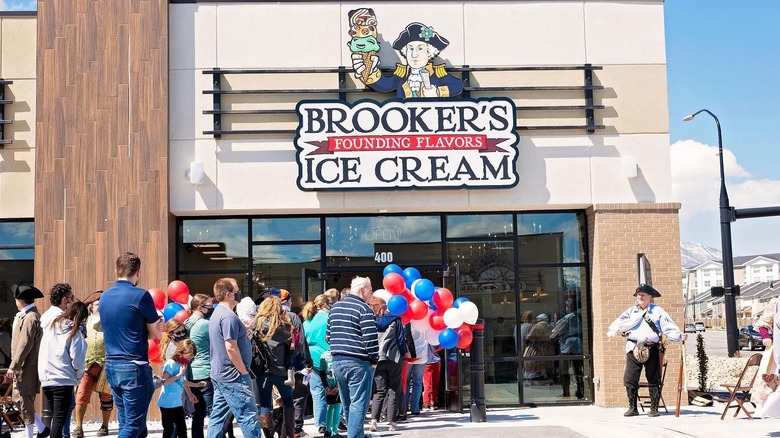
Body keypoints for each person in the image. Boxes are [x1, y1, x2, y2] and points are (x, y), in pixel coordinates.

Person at [100, 252, 164, 438]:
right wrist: (152, 328)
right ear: (138, 272)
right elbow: (156, 333)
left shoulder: (104, 296)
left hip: (111, 364)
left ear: (116, 271)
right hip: (134, 365)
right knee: (134, 425)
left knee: (126, 420)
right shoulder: (141, 295)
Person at [607, 284, 685, 418]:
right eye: (639, 295)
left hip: (652, 347)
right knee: (630, 378)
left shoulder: (658, 311)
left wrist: (679, 335)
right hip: (633, 348)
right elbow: (619, 324)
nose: (640, 297)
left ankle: (654, 409)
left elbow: (668, 326)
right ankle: (633, 408)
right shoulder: (630, 312)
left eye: (643, 295)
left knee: (654, 378)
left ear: (650, 296)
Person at [206, 278, 261, 438]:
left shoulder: (218, 313)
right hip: (234, 376)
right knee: (248, 417)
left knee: (218, 417)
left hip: (221, 374)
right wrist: (244, 372)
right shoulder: (228, 317)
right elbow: (230, 347)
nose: (240, 293)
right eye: (237, 290)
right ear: (229, 294)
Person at [351, 20, 462, 98]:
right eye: (410, 49)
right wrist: (369, 72)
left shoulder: (438, 73)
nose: (414, 55)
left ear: (430, 53)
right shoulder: (403, 74)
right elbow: (385, 86)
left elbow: (458, 86)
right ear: (405, 52)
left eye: (420, 49)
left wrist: (438, 92)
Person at [327, 276, 379, 438]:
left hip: (337, 360)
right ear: (363, 290)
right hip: (358, 362)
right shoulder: (364, 310)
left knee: (348, 402)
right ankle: (355, 435)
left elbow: (328, 336)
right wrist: (374, 361)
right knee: (359, 403)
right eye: (370, 291)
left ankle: (354, 433)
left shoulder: (335, 308)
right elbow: (370, 339)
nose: (371, 294)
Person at [38, 301, 88, 438]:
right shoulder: (74, 332)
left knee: (56, 417)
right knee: (59, 420)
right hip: (63, 379)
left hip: (47, 378)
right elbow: (77, 359)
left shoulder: (50, 328)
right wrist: (78, 376)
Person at [5, 284, 48, 438]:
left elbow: (24, 344)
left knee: (24, 400)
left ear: (20, 300)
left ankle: (31, 434)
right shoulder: (27, 315)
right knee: (21, 400)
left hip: (26, 367)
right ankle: (42, 428)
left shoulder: (31, 317)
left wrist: (13, 366)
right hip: (24, 366)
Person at [251, 296, 295, 438]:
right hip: (281, 370)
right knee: (288, 403)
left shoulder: (256, 325)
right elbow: (294, 348)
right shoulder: (285, 326)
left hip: (262, 371)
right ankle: (288, 434)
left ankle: (268, 435)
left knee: (265, 405)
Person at [272, 288, 313, 437]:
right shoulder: (292, 316)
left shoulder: (268, 316)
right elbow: (301, 341)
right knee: (298, 396)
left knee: (278, 398)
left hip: (274, 365)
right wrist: (308, 362)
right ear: (288, 301)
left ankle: (279, 428)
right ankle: (295, 428)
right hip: (294, 363)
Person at [73, 292, 113, 438]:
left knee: (106, 396)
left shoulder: (110, 321)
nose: (101, 307)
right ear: (91, 307)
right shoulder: (84, 322)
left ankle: (105, 425)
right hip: (87, 364)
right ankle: (78, 427)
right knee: (81, 395)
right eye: (98, 305)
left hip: (105, 363)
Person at [368, 297, 407, 433]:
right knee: (393, 390)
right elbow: (401, 340)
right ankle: (392, 422)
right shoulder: (396, 320)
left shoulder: (371, 321)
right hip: (394, 357)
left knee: (379, 391)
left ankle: (374, 420)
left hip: (378, 358)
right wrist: (404, 354)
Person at [158, 339, 206, 438]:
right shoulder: (171, 363)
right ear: (180, 352)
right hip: (167, 403)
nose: (189, 360)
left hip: (177, 403)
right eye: (188, 357)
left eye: (191, 358)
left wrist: (196, 385)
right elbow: (164, 382)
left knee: (182, 430)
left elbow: (182, 382)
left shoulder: (181, 365)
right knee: (169, 430)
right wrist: (179, 374)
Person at [185, 294, 215, 438]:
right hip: (205, 370)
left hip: (192, 372)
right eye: (209, 306)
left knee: (199, 412)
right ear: (200, 307)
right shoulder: (204, 324)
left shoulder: (187, 323)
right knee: (213, 412)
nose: (211, 308)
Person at [302, 294, 332, 434]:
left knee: (317, 391)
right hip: (327, 356)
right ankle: (337, 419)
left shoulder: (307, 320)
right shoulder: (329, 318)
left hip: (311, 358)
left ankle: (321, 422)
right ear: (326, 304)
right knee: (335, 390)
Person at [551, 300, 584, 399]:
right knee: (578, 369)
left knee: (564, 371)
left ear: (569, 307)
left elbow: (555, 331)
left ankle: (566, 393)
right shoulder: (581, 315)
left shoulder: (568, 317)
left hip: (567, 346)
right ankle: (580, 390)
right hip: (579, 345)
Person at [523, 314, 555, 380]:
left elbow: (528, 337)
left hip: (536, 348)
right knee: (545, 362)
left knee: (532, 361)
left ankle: (535, 375)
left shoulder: (537, 326)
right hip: (548, 348)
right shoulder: (550, 326)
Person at [405, 325, 427, 416]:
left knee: (405, 382)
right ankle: (415, 408)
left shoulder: (407, 320)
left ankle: (404, 406)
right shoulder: (424, 321)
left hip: (409, 354)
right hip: (422, 354)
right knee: (417, 382)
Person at [318, 351, 341, 438]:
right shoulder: (339, 353)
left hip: (328, 383)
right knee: (337, 407)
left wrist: (326, 386)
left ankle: (328, 430)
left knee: (330, 407)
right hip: (336, 384)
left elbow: (322, 372)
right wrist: (338, 386)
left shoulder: (323, 355)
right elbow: (341, 371)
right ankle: (334, 432)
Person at [422, 345, 441, 411]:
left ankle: (427, 403)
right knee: (432, 384)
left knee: (428, 384)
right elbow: (442, 346)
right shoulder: (435, 335)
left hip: (428, 360)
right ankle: (431, 402)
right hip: (432, 360)